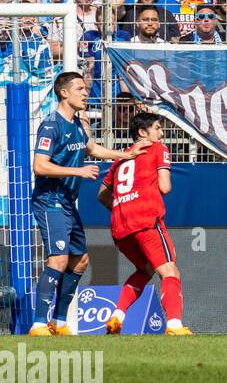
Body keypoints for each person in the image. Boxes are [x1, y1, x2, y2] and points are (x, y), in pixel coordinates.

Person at [28, 71, 147, 336]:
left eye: (85, 88)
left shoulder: (79, 124)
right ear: (64, 92)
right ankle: (38, 324)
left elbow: (91, 148)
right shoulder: (51, 125)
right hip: (50, 200)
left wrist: (126, 154)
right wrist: (78, 172)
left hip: (67, 202)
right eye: (80, 88)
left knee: (80, 261)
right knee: (58, 260)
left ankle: (58, 323)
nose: (85, 92)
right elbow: (39, 166)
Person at [96, 110, 191, 336]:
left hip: (120, 227)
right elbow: (165, 187)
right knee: (170, 272)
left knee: (145, 269)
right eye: (158, 128)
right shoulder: (157, 148)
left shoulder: (121, 158)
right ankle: (175, 325)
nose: (162, 133)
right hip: (146, 219)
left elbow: (102, 195)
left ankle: (117, 316)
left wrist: (123, 204)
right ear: (142, 132)